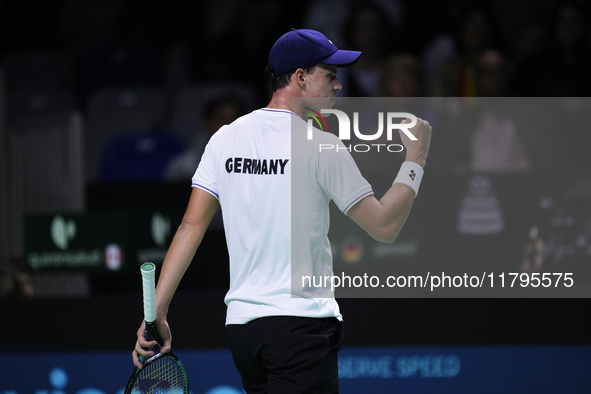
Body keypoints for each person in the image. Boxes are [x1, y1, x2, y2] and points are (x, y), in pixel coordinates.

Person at [132, 28, 432, 393]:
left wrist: (158, 310)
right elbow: (384, 225)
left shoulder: (225, 138)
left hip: (244, 332)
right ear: (300, 77)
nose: (338, 86)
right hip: (300, 329)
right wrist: (415, 160)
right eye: (330, 75)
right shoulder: (322, 146)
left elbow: (189, 228)